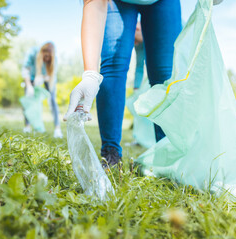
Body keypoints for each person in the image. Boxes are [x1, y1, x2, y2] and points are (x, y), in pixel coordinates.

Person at [64, 0, 223, 168]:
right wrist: (90, 74)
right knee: (114, 64)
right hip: (119, 3)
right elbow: (95, 4)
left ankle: (168, 154)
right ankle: (111, 154)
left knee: (165, 73)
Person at [21, 42, 63, 138]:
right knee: (28, 100)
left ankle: (57, 129)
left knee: (52, 100)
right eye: (45, 56)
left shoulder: (54, 60)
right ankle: (27, 126)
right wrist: (29, 86)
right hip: (31, 77)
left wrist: (43, 78)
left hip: (46, 77)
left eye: (49, 58)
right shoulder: (32, 52)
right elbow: (25, 69)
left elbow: (51, 76)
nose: (46, 59)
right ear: (42, 52)